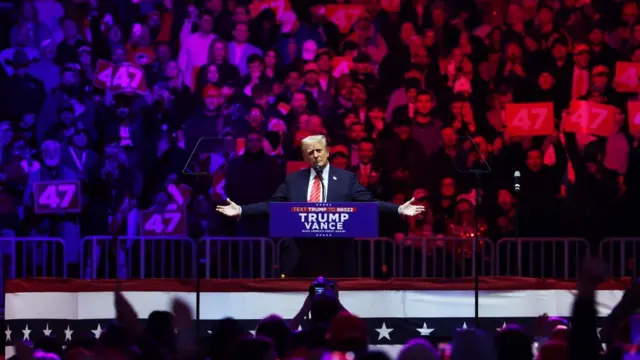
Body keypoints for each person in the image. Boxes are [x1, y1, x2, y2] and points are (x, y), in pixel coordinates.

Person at [216, 134, 424, 276]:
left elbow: (369, 203)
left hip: (336, 258)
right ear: (305, 157)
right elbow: (272, 206)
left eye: (319, 151)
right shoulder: (293, 180)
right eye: (310, 152)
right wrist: (243, 210)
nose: (315, 155)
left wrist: (397, 209)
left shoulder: (346, 179)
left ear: (327, 153)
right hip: (302, 260)